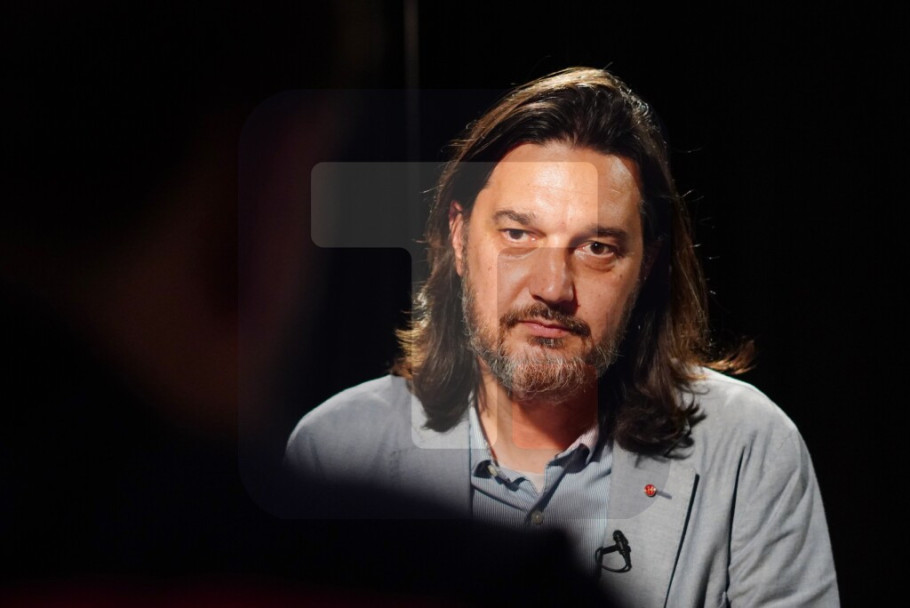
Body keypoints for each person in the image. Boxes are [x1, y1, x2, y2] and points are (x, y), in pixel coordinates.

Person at [285, 67, 839, 606]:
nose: (552, 287)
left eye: (597, 248)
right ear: (458, 236)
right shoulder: (336, 453)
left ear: (646, 266)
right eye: (518, 234)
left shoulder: (747, 449)